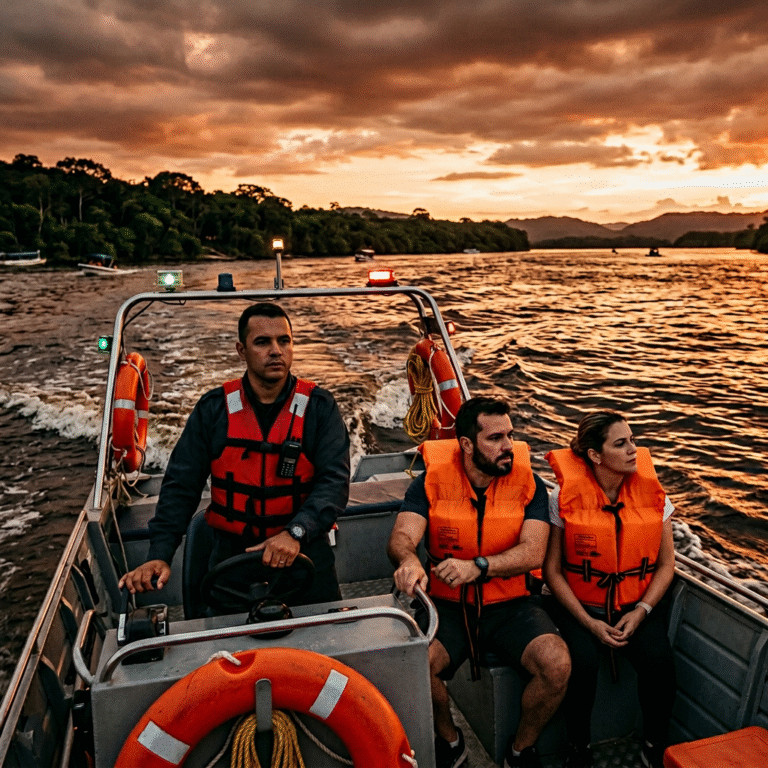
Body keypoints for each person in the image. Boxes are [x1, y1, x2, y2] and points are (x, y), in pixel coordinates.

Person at [119, 302, 350, 608]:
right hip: (231, 557)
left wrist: (295, 532)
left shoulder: (320, 408)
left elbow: (334, 482)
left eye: (284, 341)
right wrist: (159, 555)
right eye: (262, 342)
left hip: (303, 550)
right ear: (241, 351)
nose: (276, 351)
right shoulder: (213, 409)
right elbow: (180, 486)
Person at [388, 397, 571, 768]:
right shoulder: (431, 483)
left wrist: (480, 566)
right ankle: (450, 739)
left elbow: (535, 552)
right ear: (467, 444)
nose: (508, 447)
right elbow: (402, 537)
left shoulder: (530, 485)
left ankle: (520, 750)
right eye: (496, 438)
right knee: (415, 664)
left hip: (513, 606)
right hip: (450, 606)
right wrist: (408, 561)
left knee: (557, 665)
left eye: (511, 436)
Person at [543, 410, 676, 768]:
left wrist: (641, 611)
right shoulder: (562, 498)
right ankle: (578, 748)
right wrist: (588, 623)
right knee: (581, 665)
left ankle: (653, 746)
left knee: (661, 667)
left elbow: (667, 566)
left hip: (636, 606)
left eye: (633, 440)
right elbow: (552, 572)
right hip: (580, 608)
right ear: (595, 455)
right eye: (622, 443)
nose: (634, 449)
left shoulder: (654, 495)